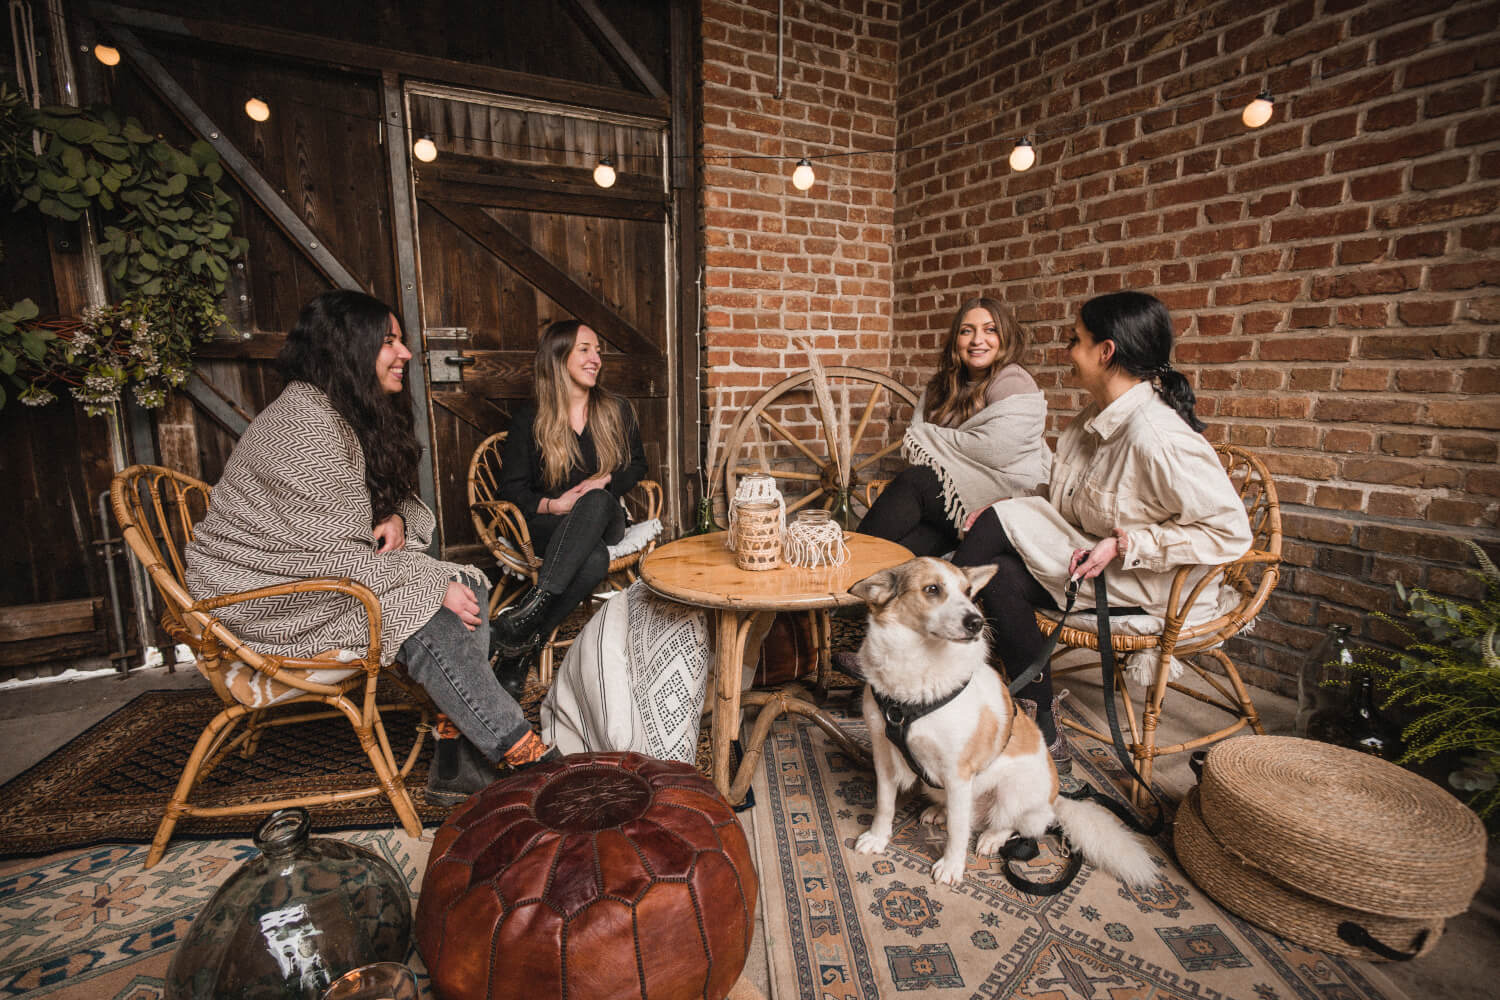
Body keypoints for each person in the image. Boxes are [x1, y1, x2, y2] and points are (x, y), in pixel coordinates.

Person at [184, 290, 556, 805]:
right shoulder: (303, 424)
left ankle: (456, 764)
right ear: (347, 348)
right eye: (389, 342)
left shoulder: (341, 412)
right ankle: (522, 751)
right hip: (265, 596)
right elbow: (329, 559)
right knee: (431, 612)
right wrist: (429, 583)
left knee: (464, 583)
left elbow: (373, 513)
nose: (404, 353)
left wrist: (396, 517)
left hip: (313, 575)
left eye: (400, 341)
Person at [950, 290, 1252, 767]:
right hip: (1088, 560)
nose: (1068, 350)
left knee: (990, 537)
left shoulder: (1157, 437)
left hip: (1149, 584)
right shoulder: (1092, 420)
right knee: (999, 567)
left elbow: (1231, 534)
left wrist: (1129, 543)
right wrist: (1011, 508)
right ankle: (1040, 720)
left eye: (1076, 340)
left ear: (1105, 351)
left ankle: (935, 674)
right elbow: (1069, 506)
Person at [490, 319, 648, 698]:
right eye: (585, 349)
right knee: (592, 559)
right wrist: (552, 503)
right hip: (552, 526)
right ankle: (523, 650)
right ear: (559, 357)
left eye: (597, 351)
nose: (596, 358)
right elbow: (511, 489)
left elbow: (638, 465)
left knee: (593, 501)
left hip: (606, 517)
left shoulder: (616, 409)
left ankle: (526, 612)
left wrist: (604, 481)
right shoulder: (531, 419)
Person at [857, 297, 1051, 556]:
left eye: (990, 330)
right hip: (953, 504)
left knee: (918, 481)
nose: (977, 340)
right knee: (903, 551)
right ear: (956, 339)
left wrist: (930, 435)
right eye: (966, 331)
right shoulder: (941, 386)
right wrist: (932, 442)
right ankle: (853, 583)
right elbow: (919, 454)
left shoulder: (1012, 379)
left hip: (1006, 493)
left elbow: (995, 450)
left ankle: (849, 562)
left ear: (1004, 337)